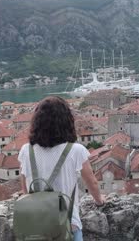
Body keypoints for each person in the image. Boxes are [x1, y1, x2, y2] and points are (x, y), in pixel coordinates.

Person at [18, 96, 105, 241]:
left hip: (37, 226)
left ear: (37, 122)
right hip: (67, 225)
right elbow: (92, 182)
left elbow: (25, 184)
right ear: (67, 121)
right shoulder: (76, 150)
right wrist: (99, 201)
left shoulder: (26, 150)